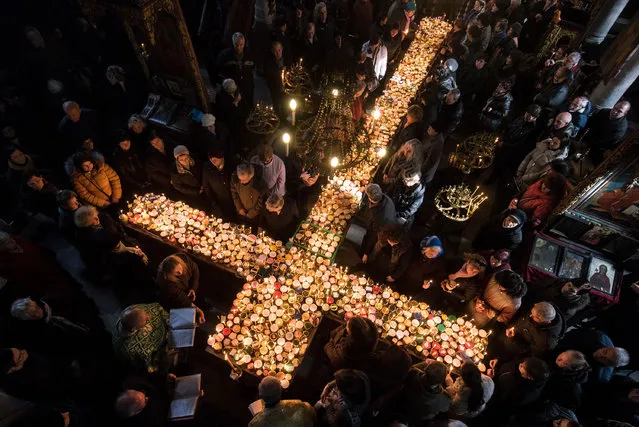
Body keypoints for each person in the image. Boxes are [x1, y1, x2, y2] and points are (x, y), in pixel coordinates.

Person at [73, 205, 148, 279]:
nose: (98, 217)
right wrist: (137, 256)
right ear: (92, 220)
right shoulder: (100, 238)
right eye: (95, 217)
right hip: (116, 265)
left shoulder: (83, 232)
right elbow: (117, 255)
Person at [557, 328, 630, 384]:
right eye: (605, 352)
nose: (601, 355)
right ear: (609, 347)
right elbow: (572, 334)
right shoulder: (597, 337)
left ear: (612, 365)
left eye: (607, 360)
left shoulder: (600, 376)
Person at [112, 303, 169, 374]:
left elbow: (157, 307)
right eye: (145, 321)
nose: (149, 317)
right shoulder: (129, 349)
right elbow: (147, 366)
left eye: (145, 314)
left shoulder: (133, 310)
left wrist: (167, 320)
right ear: (134, 329)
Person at [502, 302, 566, 358]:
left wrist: (513, 339)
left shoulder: (545, 341)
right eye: (532, 312)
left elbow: (530, 351)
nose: (530, 316)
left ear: (546, 322)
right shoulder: (540, 309)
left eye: (535, 317)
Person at [155, 253, 206, 323]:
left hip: (186, 289)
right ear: (170, 274)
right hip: (172, 300)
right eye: (176, 272)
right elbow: (181, 298)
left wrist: (193, 288)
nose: (180, 272)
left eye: (180, 268)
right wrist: (198, 311)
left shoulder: (183, 258)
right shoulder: (166, 282)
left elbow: (194, 268)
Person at [249, 376, 316, 426]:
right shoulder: (300, 406)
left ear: (260, 396)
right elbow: (313, 415)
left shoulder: (255, 423)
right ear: (281, 391)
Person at [401, 359, 451, 423]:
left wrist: (425, 362)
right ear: (443, 381)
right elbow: (445, 408)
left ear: (425, 369)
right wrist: (450, 386)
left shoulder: (412, 374)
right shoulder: (444, 399)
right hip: (417, 418)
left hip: (403, 404)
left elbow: (411, 368)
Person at [359, 184, 397, 258]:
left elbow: (374, 235)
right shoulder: (386, 198)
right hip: (388, 223)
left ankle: (366, 256)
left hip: (384, 231)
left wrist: (366, 253)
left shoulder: (379, 216)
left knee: (373, 242)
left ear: (370, 199)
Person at [216, 32, 255, 103]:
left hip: (247, 87)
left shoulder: (250, 54)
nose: (239, 47)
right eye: (236, 45)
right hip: (232, 88)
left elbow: (252, 67)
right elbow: (217, 70)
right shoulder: (225, 55)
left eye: (241, 44)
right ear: (233, 43)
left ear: (244, 43)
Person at [111, 129, 148, 197]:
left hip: (147, 179)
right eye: (123, 143)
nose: (126, 145)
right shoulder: (118, 157)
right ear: (119, 144)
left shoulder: (137, 149)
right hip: (134, 185)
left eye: (128, 142)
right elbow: (124, 175)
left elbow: (145, 163)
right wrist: (138, 184)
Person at [202, 146, 235, 219]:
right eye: (210, 159)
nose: (213, 161)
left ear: (222, 157)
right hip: (219, 201)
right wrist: (214, 202)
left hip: (233, 201)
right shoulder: (207, 167)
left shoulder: (231, 165)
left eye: (215, 159)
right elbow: (207, 186)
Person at [264, 41, 287, 113]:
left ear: (282, 49)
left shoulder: (285, 59)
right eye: (275, 51)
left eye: (279, 50)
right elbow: (268, 73)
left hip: (285, 86)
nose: (278, 53)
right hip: (274, 86)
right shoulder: (269, 61)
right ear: (272, 51)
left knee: (285, 103)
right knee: (276, 102)